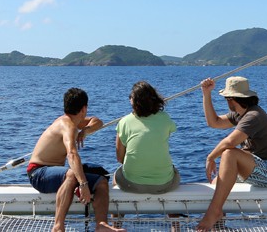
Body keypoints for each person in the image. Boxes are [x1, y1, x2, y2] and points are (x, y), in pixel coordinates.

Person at [27, 87, 126, 232]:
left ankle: (101, 225)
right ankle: (58, 226)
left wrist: (85, 131)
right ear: (84, 108)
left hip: (56, 173)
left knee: (102, 181)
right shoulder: (68, 126)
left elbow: (97, 121)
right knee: (73, 174)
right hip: (38, 173)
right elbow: (72, 154)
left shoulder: (75, 122)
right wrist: (83, 184)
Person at [196, 76, 267, 231]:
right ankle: (219, 226)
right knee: (215, 184)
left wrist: (210, 157)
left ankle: (213, 212)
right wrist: (206, 94)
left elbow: (229, 143)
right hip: (254, 168)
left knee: (229, 153)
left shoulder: (253, 116)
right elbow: (214, 122)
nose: (226, 102)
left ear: (231, 99)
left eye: (226, 99)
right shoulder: (241, 114)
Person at [114, 81, 180, 194]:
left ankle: (117, 212)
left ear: (133, 101)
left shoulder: (124, 122)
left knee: (115, 178)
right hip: (163, 183)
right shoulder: (165, 118)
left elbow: (120, 158)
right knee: (174, 173)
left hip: (132, 184)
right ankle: (172, 212)